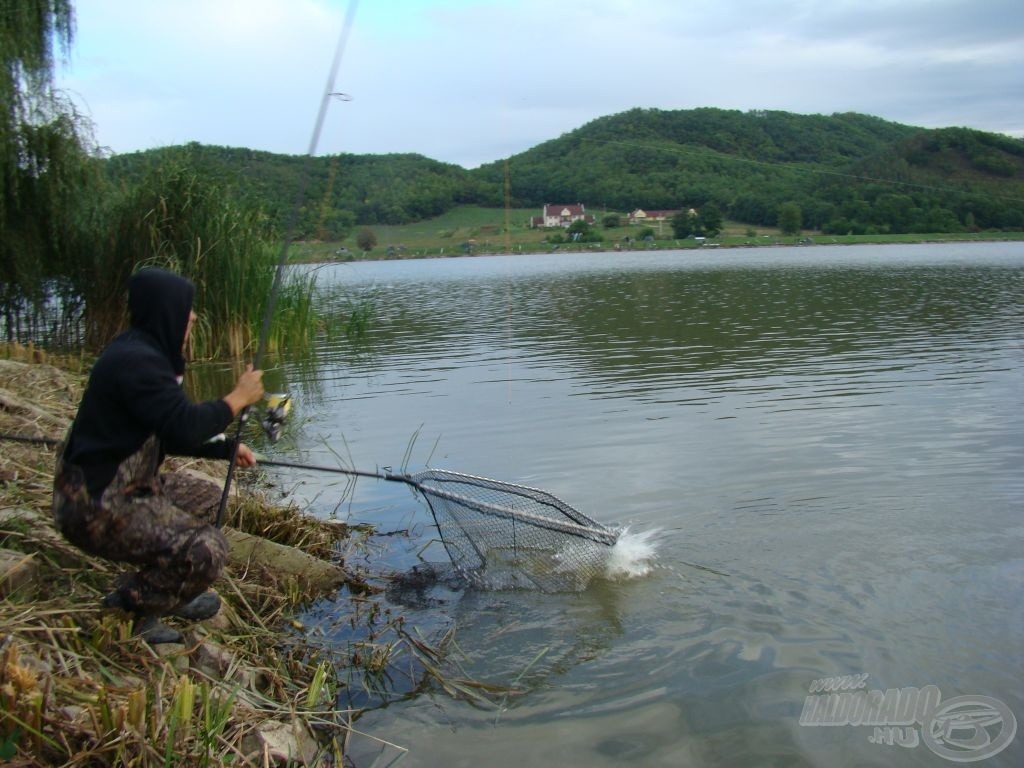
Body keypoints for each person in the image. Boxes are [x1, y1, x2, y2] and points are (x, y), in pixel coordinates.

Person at [52, 267, 265, 644]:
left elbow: (171, 430)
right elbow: (183, 424)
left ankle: (168, 585)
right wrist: (237, 398)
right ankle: (134, 605)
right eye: (186, 311)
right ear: (165, 311)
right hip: (94, 506)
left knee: (208, 499)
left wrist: (226, 448)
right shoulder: (137, 363)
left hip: (126, 487)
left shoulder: (142, 354)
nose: (194, 318)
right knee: (209, 548)